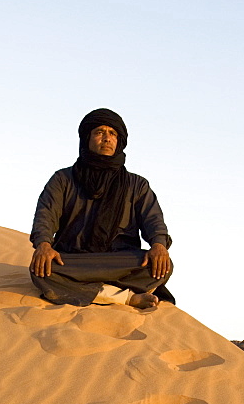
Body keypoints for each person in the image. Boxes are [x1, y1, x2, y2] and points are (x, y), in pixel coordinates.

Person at [29, 108, 173, 309]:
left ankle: (85, 290)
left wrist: (159, 245)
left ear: (119, 141)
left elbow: (153, 220)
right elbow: (46, 214)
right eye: (99, 132)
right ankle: (126, 297)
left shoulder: (136, 185)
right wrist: (43, 244)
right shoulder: (63, 179)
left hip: (118, 261)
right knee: (42, 270)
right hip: (74, 260)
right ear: (87, 139)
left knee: (162, 267)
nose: (106, 138)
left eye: (112, 133)